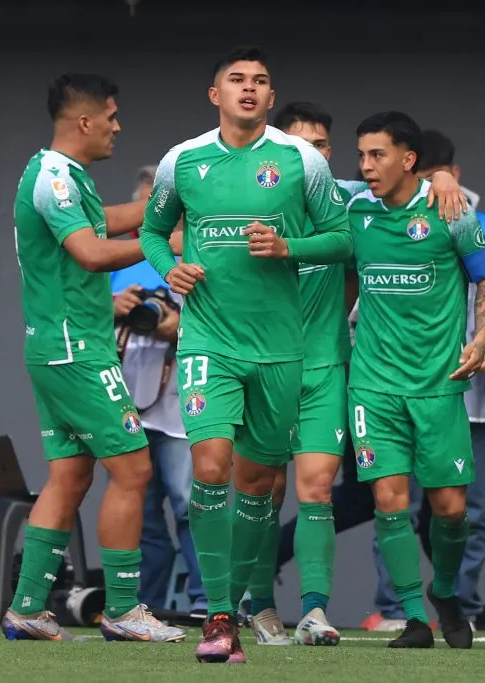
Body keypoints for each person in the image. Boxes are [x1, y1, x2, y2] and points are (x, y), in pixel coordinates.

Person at [139, 47, 354, 665]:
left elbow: (342, 237)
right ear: (216, 94)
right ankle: (217, 615)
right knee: (210, 466)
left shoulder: (300, 159)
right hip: (209, 339)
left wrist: (289, 247)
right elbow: (153, 231)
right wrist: (170, 268)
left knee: (258, 486)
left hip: (281, 349)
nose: (250, 89)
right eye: (237, 80)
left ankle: (243, 602)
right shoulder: (184, 160)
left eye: (261, 81)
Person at [243, 103, 466, 646]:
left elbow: (402, 178)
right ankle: (258, 604)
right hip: (257, 362)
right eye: (301, 146)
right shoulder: (245, 194)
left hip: (326, 365)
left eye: (322, 146)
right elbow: (182, 228)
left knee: (317, 489)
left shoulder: (346, 198)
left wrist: (438, 174)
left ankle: (315, 611)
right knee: (261, 491)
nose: (315, 157)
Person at [2, 73, 185, 643]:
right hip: (76, 349)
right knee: (133, 469)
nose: (116, 126)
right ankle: (124, 610)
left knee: (69, 475)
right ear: (84, 121)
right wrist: (166, 244)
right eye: (110, 116)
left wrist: (163, 210)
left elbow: (101, 220)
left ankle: (28, 607)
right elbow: (89, 251)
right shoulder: (54, 176)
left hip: (57, 349)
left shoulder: (63, 176)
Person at [347, 111, 485, 649]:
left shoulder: (453, 212)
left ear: (408, 159)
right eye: (361, 155)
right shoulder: (354, 206)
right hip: (373, 383)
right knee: (388, 499)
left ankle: (444, 591)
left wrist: (480, 340)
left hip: (438, 384)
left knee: (451, 508)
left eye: (377, 155)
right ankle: (413, 617)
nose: (365, 166)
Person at [112, 167, 207, 619]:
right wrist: (113, 309)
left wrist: (177, 328)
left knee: (192, 505)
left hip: (182, 405)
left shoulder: (200, 256)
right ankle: (141, 605)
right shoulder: (118, 260)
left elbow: (222, 329)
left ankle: (209, 603)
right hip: (127, 401)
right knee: (141, 514)